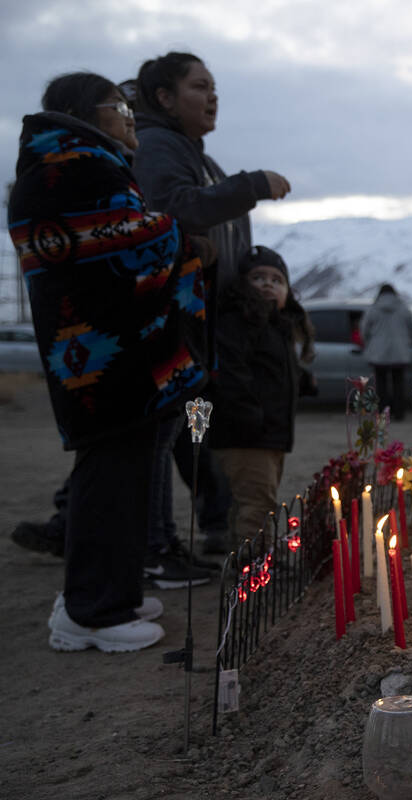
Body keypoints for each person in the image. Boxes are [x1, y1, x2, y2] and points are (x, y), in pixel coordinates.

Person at [9, 71, 211, 651]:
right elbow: (121, 242)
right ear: (86, 111)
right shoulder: (68, 168)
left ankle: (109, 592)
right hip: (104, 360)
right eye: (118, 105)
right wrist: (181, 234)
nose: (129, 118)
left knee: (123, 477)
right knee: (110, 480)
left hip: (108, 357)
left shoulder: (77, 163)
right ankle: (93, 612)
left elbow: (117, 236)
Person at [134, 51, 291, 558]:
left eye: (215, 87)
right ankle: (155, 546)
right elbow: (171, 207)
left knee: (186, 434)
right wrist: (250, 186)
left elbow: (229, 248)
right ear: (163, 97)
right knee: (165, 436)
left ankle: (206, 526)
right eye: (200, 86)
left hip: (206, 328)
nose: (213, 96)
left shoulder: (197, 155)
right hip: (171, 323)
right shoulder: (158, 146)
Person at [208, 246, 314, 549]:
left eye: (276, 280)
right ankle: (255, 573)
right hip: (247, 434)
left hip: (267, 434)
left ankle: (243, 562)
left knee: (249, 501)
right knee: (258, 504)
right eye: (258, 278)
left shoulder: (275, 327)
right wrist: (250, 418)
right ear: (242, 284)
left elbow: (273, 372)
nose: (268, 284)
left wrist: (305, 382)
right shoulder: (240, 322)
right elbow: (233, 375)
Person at [361, 284, 412, 419]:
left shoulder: (373, 309)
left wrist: (368, 343)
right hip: (400, 353)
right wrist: (410, 342)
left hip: (378, 354)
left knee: (381, 385)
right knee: (398, 384)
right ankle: (399, 413)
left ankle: (382, 412)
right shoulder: (404, 308)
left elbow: (364, 330)